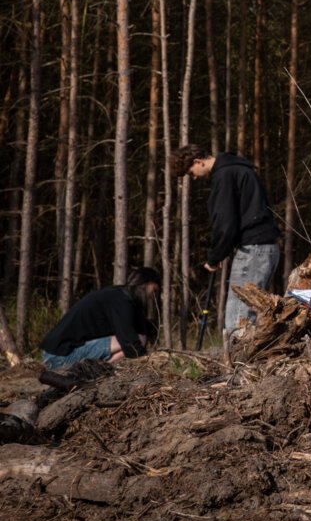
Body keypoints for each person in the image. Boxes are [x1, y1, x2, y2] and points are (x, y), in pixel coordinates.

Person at [172, 144, 281, 332]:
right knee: (251, 315)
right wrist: (223, 250)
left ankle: (237, 352)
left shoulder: (225, 175)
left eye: (191, 173)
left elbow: (225, 223)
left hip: (253, 249)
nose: (194, 177)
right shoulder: (237, 168)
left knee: (238, 318)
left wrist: (214, 257)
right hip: (264, 247)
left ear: (198, 161)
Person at [39, 267, 161, 387]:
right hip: (59, 357)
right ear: (146, 284)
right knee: (136, 340)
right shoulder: (121, 301)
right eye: (154, 290)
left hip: (57, 353)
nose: (153, 296)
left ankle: (97, 373)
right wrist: (150, 363)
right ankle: (97, 375)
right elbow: (131, 345)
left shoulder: (118, 296)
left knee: (135, 339)